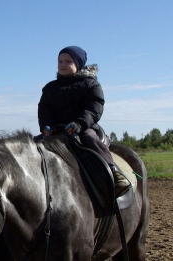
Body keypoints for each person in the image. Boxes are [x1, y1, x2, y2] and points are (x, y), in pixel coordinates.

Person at [37, 46, 130, 197]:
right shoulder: (50, 88)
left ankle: (114, 173)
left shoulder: (91, 85)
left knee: (91, 140)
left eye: (68, 61)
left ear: (78, 64)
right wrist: (46, 125)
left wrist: (79, 124)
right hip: (56, 130)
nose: (63, 64)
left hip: (82, 128)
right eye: (60, 61)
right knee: (34, 144)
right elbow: (44, 109)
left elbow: (94, 108)